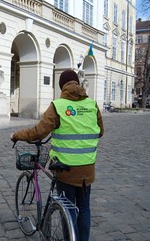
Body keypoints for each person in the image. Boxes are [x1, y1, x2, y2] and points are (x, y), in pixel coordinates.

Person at [11, 70, 104, 241]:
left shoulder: (58, 106)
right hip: (87, 169)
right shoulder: (92, 105)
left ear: (62, 87)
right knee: (84, 207)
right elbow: (100, 132)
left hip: (65, 169)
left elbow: (38, 132)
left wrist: (17, 135)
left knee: (67, 209)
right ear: (78, 84)